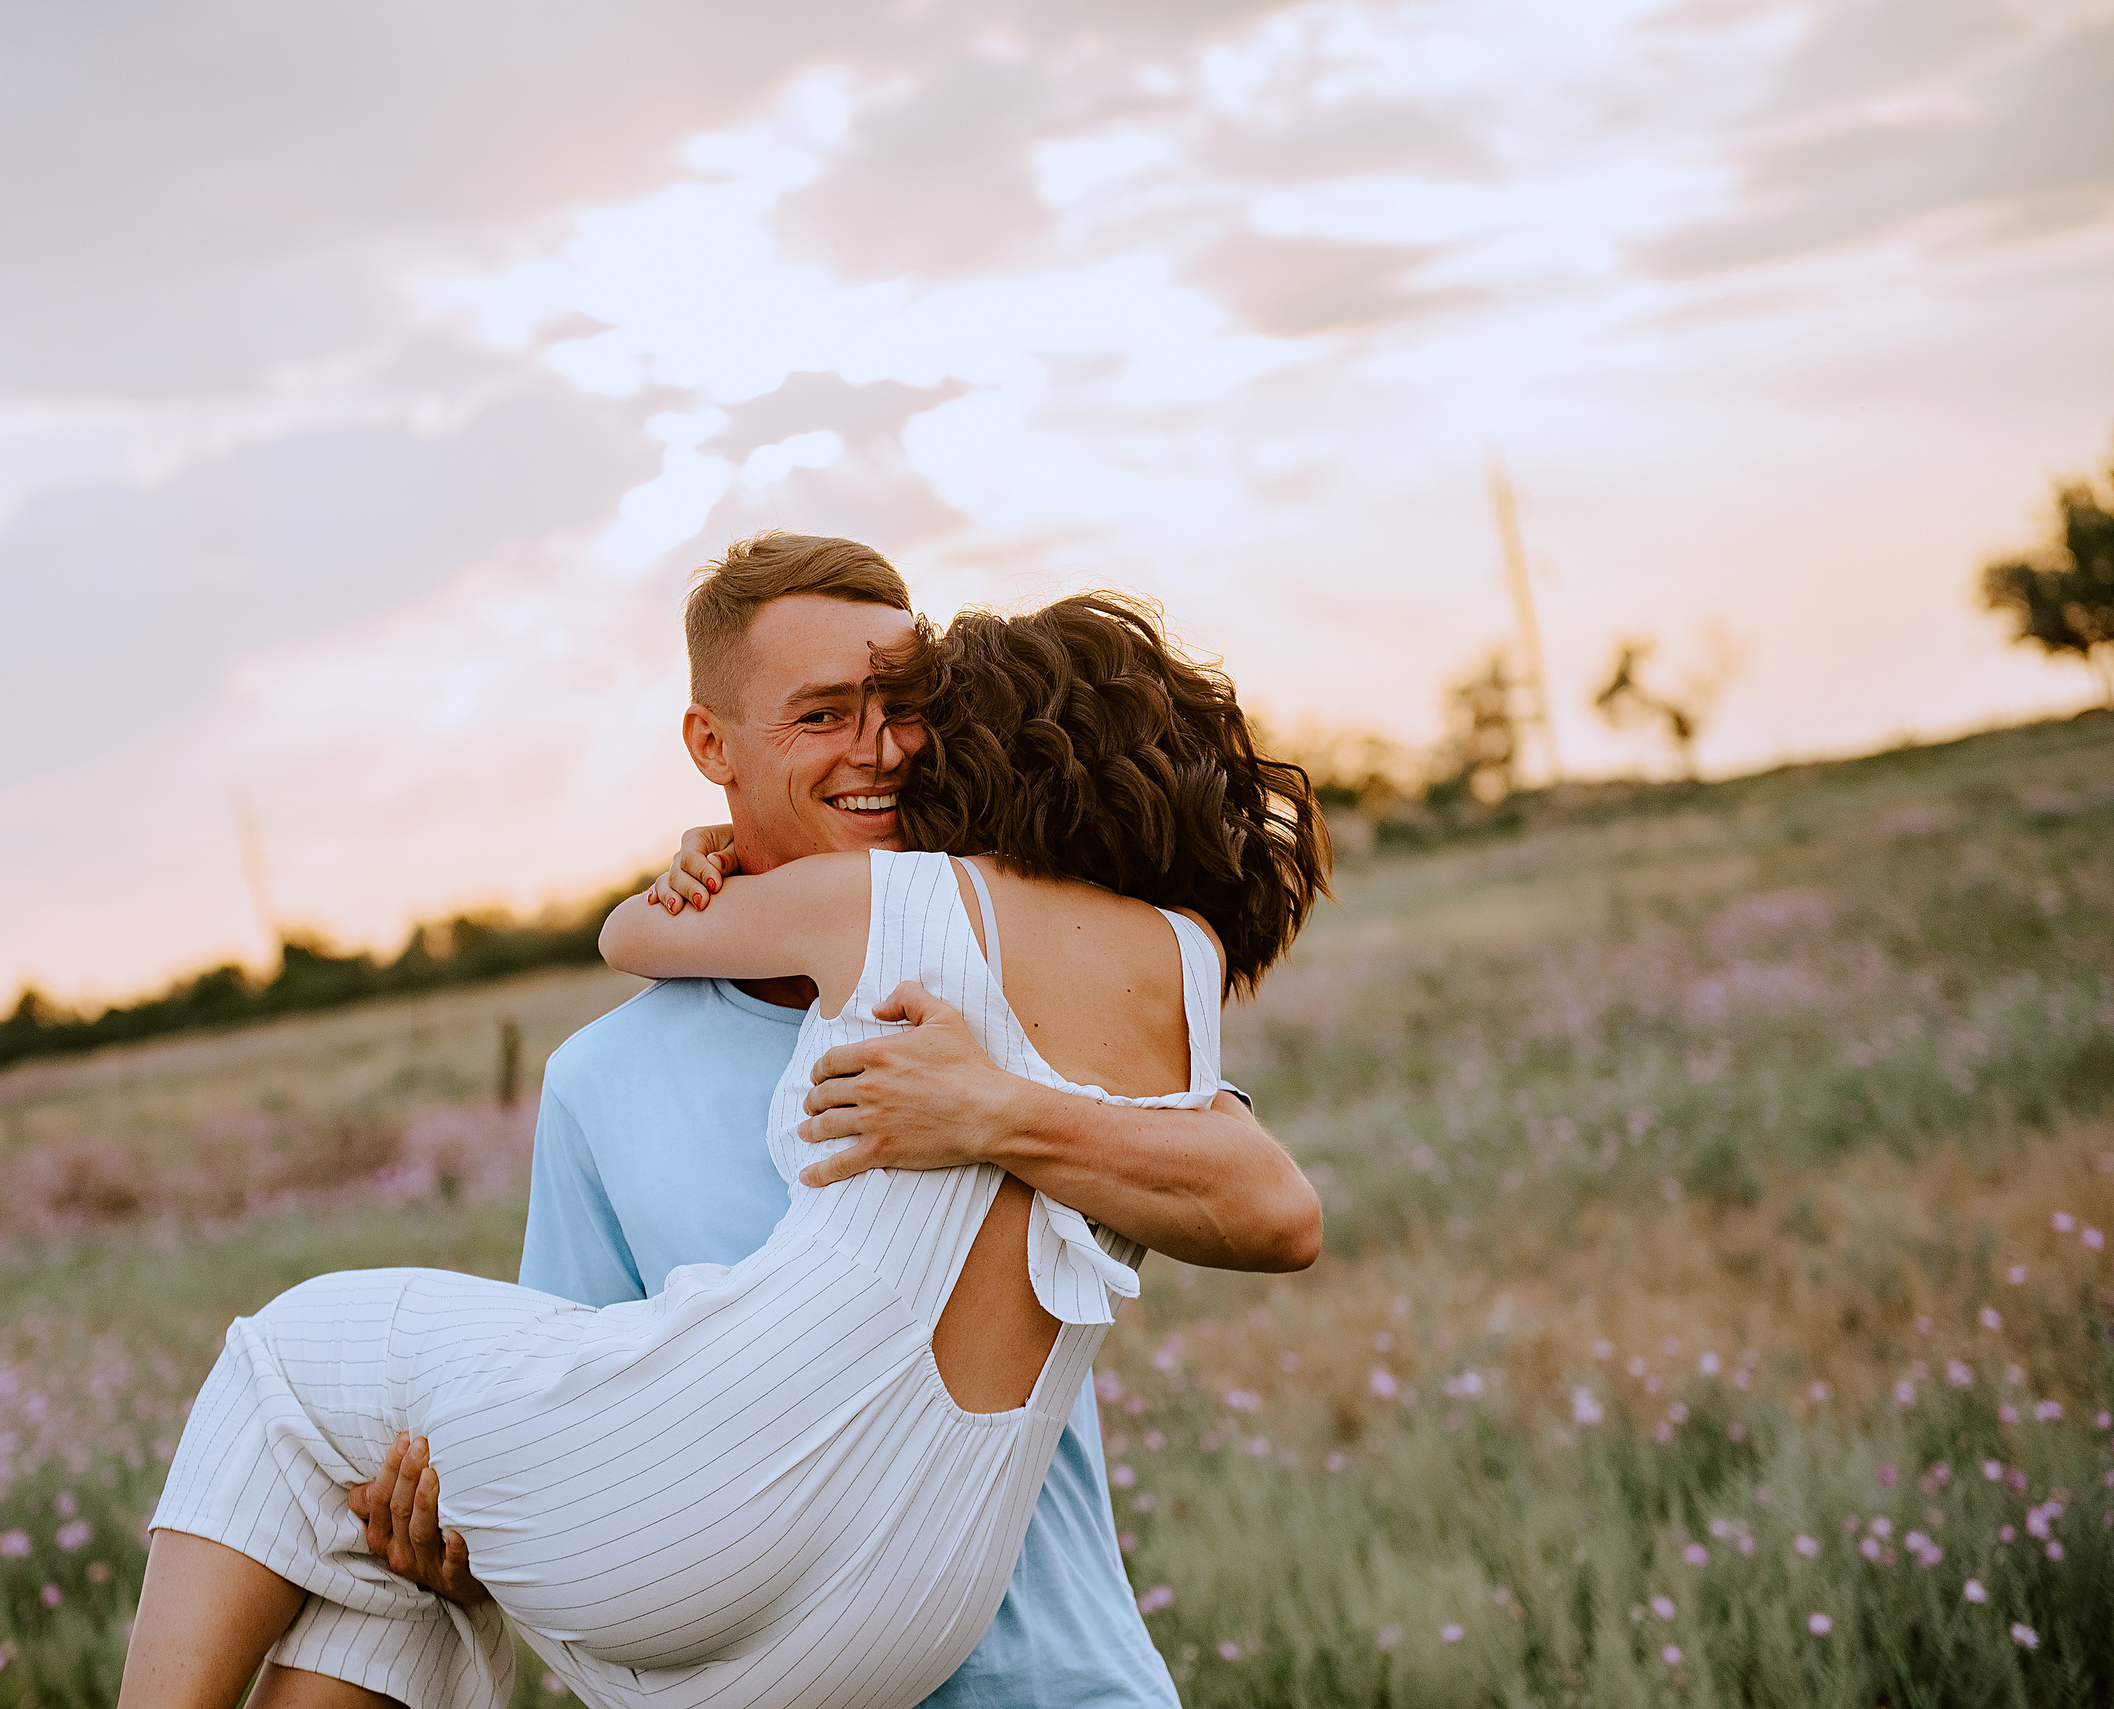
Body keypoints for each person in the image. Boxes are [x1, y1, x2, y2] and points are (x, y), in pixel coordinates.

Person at [118, 541, 1328, 1709]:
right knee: (370, 1547)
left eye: (907, 707)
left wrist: (992, 1110)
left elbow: (1264, 1202)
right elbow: (592, 1399)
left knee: (284, 1385)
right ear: (712, 745)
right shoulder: (606, 1076)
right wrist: (451, 1538)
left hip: (1044, 1676)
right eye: (822, 714)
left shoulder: (978, 941)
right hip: (769, 1642)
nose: (884, 749)